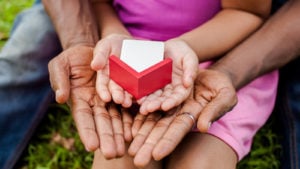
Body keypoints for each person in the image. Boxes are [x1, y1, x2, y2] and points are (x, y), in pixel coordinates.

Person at [90, 0, 278, 168]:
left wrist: (184, 48)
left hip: (216, 54)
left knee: (200, 161)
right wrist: (120, 41)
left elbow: (247, 12)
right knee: (120, 158)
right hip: (130, 57)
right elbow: (98, 4)